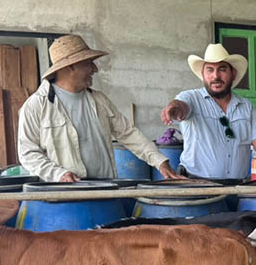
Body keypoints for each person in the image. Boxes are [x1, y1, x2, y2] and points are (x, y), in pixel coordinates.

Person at [18, 34, 182, 183]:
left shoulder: (99, 100)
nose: (94, 69)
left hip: (104, 190)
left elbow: (128, 133)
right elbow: (28, 153)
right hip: (63, 195)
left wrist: (160, 161)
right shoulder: (37, 106)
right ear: (70, 67)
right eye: (88, 63)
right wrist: (58, 174)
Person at [160, 43, 256, 179]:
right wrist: (173, 108)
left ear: (233, 74)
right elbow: (181, 106)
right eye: (210, 70)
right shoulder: (191, 98)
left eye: (222, 69)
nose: (215, 76)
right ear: (203, 75)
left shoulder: (246, 106)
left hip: (236, 186)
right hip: (196, 185)